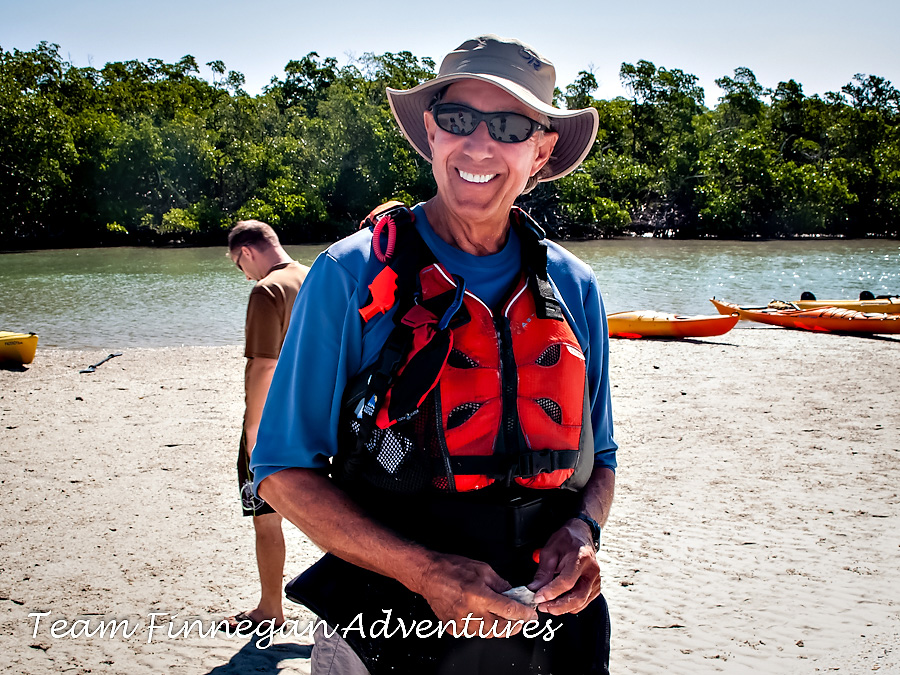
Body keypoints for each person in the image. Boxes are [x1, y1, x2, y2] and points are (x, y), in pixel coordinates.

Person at [252, 35, 617, 674]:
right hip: (387, 617)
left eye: (508, 126)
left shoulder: (575, 286)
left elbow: (602, 459)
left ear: (542, 150)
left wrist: (581, 533)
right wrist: (425, 572)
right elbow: (281, 472)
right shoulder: (352, 274)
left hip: (553, 625)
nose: (478, 145)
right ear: (430, 130)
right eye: (458, 120)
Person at [225, 219, 309, 631]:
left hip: (275, 421)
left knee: (267, 517)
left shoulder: (266, 290)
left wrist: (254, 429)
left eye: (239, 266)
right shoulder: (312, 277)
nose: (245, 274)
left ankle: (270, 609)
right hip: (318, 416)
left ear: (246, 253)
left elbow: (263, 365)